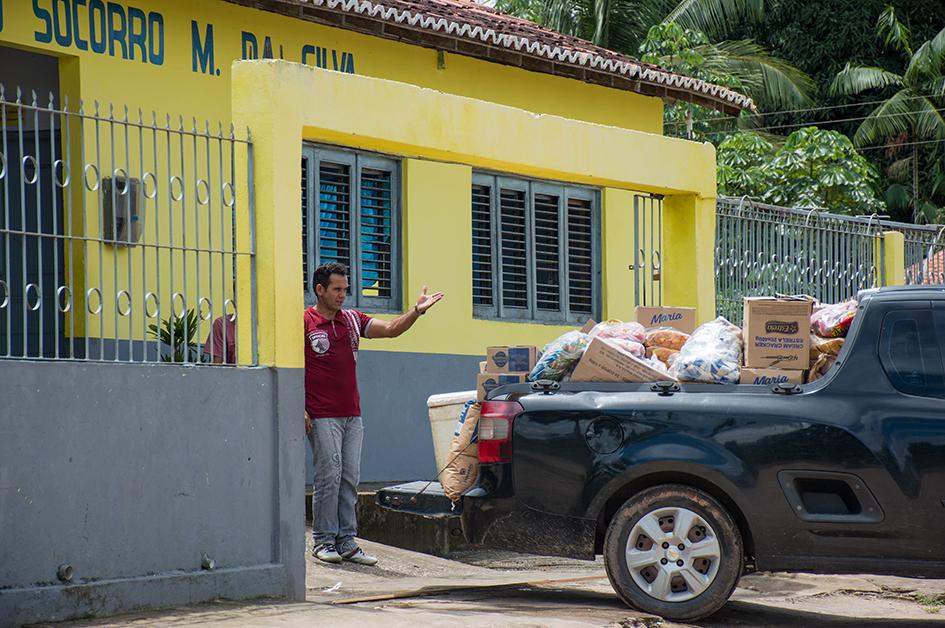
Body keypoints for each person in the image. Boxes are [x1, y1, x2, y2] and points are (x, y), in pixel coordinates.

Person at [305, 262, 443, 565]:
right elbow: (293, 367)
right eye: (337, 289)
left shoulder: (352, 320)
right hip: (321, 413)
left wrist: (416, 311)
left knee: (350, 476)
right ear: (320, 290)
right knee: (329, 474)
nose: (343, 295)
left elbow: (392, 330)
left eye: (345, 289)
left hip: (352, 414)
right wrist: (300, 408)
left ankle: (347, 542)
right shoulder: (304, 322)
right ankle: (323, 541)